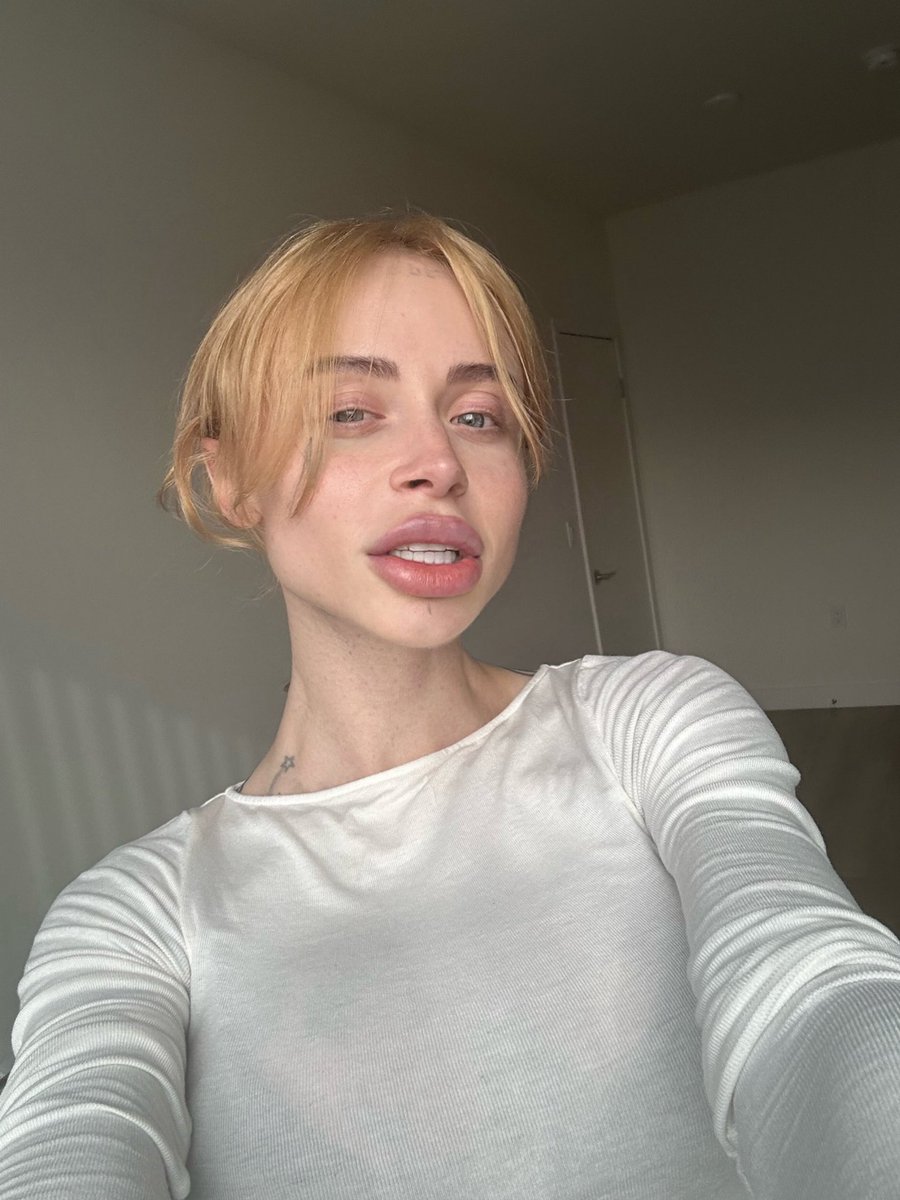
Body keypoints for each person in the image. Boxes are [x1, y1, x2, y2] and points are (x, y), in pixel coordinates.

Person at [1, 212, 899, 1200]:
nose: (440, 462)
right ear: (231, 482)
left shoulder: (648, 720)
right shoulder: (136, 917)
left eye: (479, 416)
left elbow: (808, 985)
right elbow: (71, 1137)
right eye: (352, 410)